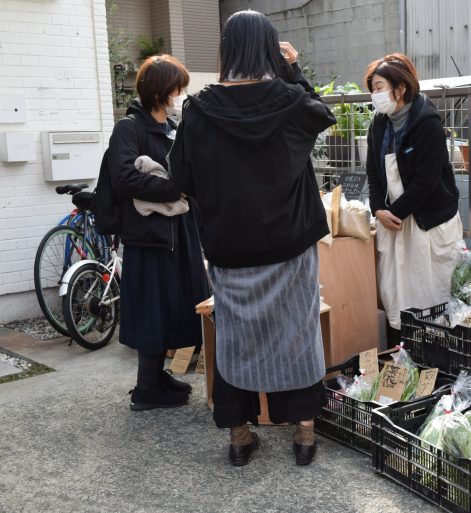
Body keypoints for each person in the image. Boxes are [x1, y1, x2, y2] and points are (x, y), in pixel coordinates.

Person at [168, 10, 335, 467]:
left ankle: (240, 437)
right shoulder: (288, 99)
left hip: (230, 245)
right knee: (297, 332)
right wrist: (292, 69)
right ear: (269, 48)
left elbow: (181, 176)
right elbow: (323, 115)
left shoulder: (199, 109)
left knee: (235, 338)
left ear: (227, 50)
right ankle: (303, 434)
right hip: (291, 241)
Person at [108, 54, 210, 411]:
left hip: (178, 231)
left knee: (175, 303)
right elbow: (123, 177)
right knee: (153, 307)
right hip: (149, 235)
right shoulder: (130, 128)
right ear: (159, 90)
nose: (181, 94)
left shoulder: (174, 126)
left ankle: (155, 378)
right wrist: (173, 188)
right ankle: (145, 388)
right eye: (177, 88)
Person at [363, 53, 462, 346]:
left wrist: (395, 213)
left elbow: (427, 180)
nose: (374, 95)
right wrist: (377, 208)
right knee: (395, 291)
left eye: (379, 87)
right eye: (373, 88)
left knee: (429, 290)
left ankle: (436, 353)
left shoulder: (426, 121)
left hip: (426, 221)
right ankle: (400, 352)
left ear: (401, 88)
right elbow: (372, 170)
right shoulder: (378, 123)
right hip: (394, 219)